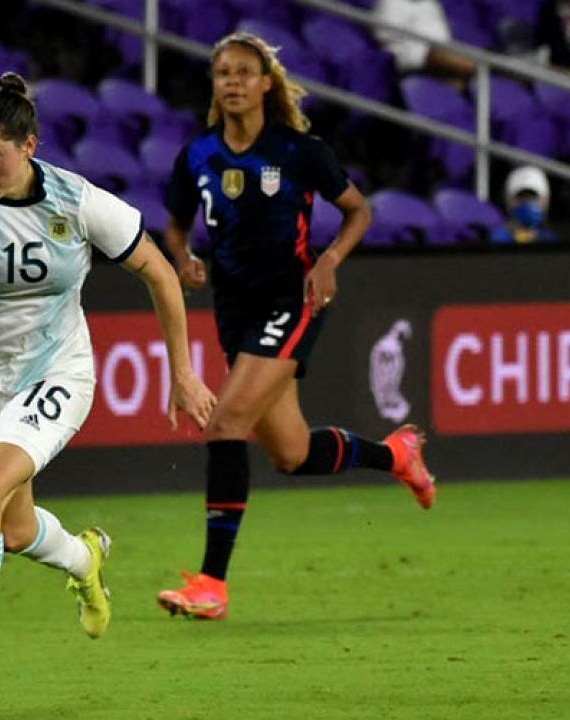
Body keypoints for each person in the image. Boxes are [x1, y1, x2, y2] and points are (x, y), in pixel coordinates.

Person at [0, 72, 216, 709]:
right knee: (13, 531)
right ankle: (84, 560)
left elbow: (161, 275)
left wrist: (182, 373)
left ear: (29, 146)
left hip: (55, 373)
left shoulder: (77, 204)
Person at [155, 32, 437, 621]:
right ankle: (396, 456)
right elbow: (175, 225)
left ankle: (212, 584)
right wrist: (182, 259)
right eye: (222, 72)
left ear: (265, 84)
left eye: (243, 72)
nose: (231, 81)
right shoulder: (199, 155)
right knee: (291, 452)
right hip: (233, 310)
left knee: (227, 422)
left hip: (293, 297)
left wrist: (330, 260)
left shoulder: (298, 149)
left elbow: (359, 210)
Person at [372, 0, 475, 85]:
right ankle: (480, 71)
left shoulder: (430, 4)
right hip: (413, 57)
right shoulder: (391, 3)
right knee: (462, 64)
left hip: (438, 52)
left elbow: (443, 37)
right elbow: (384, 41)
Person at [491, 165, 558, 244]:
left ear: (545, 201)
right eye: (521, 198)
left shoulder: (549, 239)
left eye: (533, 198)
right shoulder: (499, 239)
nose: (527, 202)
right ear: (508, 201)